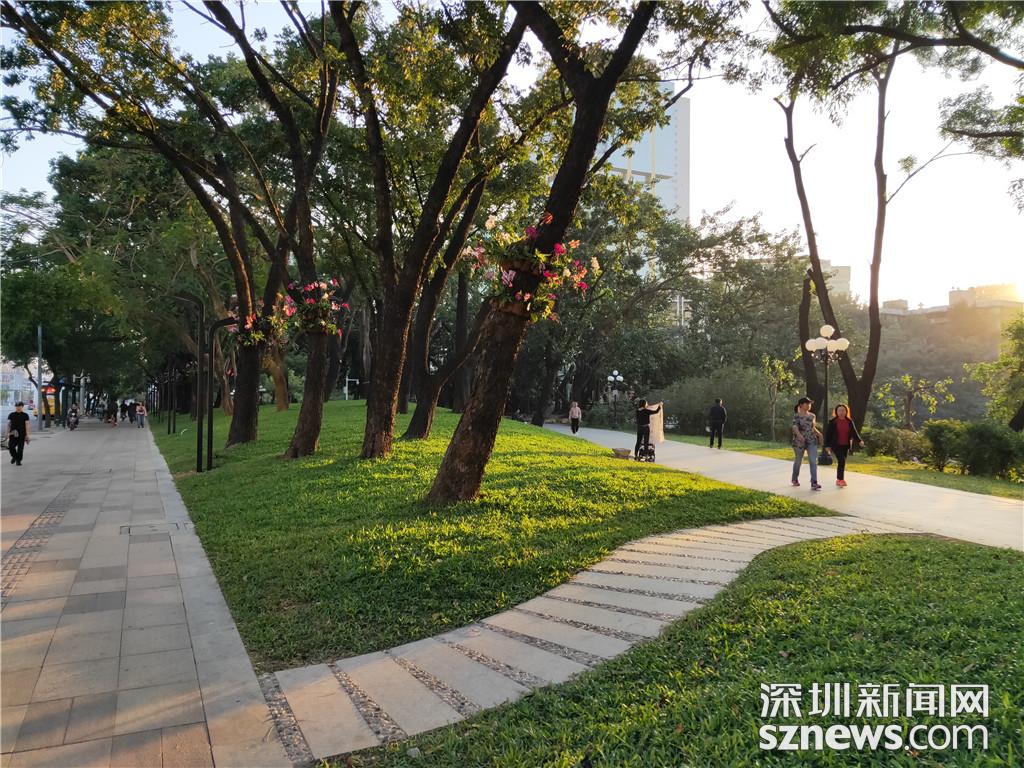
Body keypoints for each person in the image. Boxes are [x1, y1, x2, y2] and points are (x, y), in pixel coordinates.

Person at [824, 404, 864, 487]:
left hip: (845, 445)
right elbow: (828, 434)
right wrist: (827, 445)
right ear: (836, 412)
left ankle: (838, 480)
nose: (841, 412)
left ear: (846, 411)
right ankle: (841, 479)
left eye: (843, 410)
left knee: (842, 462)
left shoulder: (849, 421)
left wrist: (859, 441)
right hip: (836, 445)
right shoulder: (833, 422)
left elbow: (854, 432)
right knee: (842, 461)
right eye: (839, 410)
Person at [791, 397, 823, 490]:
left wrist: (819, 434)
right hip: (799, 442)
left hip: (811, 441)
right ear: (801, 405)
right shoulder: (796, 416)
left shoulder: (812, 416)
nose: (809, 405)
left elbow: (812, 427)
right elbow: (794, 427)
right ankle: (794, 479)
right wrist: (799, 435)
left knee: (813, 461)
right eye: (807, 403)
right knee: (798, 461)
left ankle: (814, 482)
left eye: (810, 403)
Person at [6, 401, 31, 466]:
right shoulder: (11, 414)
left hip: (22, 434)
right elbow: (8, 424)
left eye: (19, 406)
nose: (18, 407)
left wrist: (27, 435)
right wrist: (7, 433)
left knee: (20, 449)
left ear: (22, 407)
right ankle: (15, 457)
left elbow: (27, 425)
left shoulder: (25, 415)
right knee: (11, 447)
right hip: (12, 434)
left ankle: (18, 461)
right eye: (17, 406)